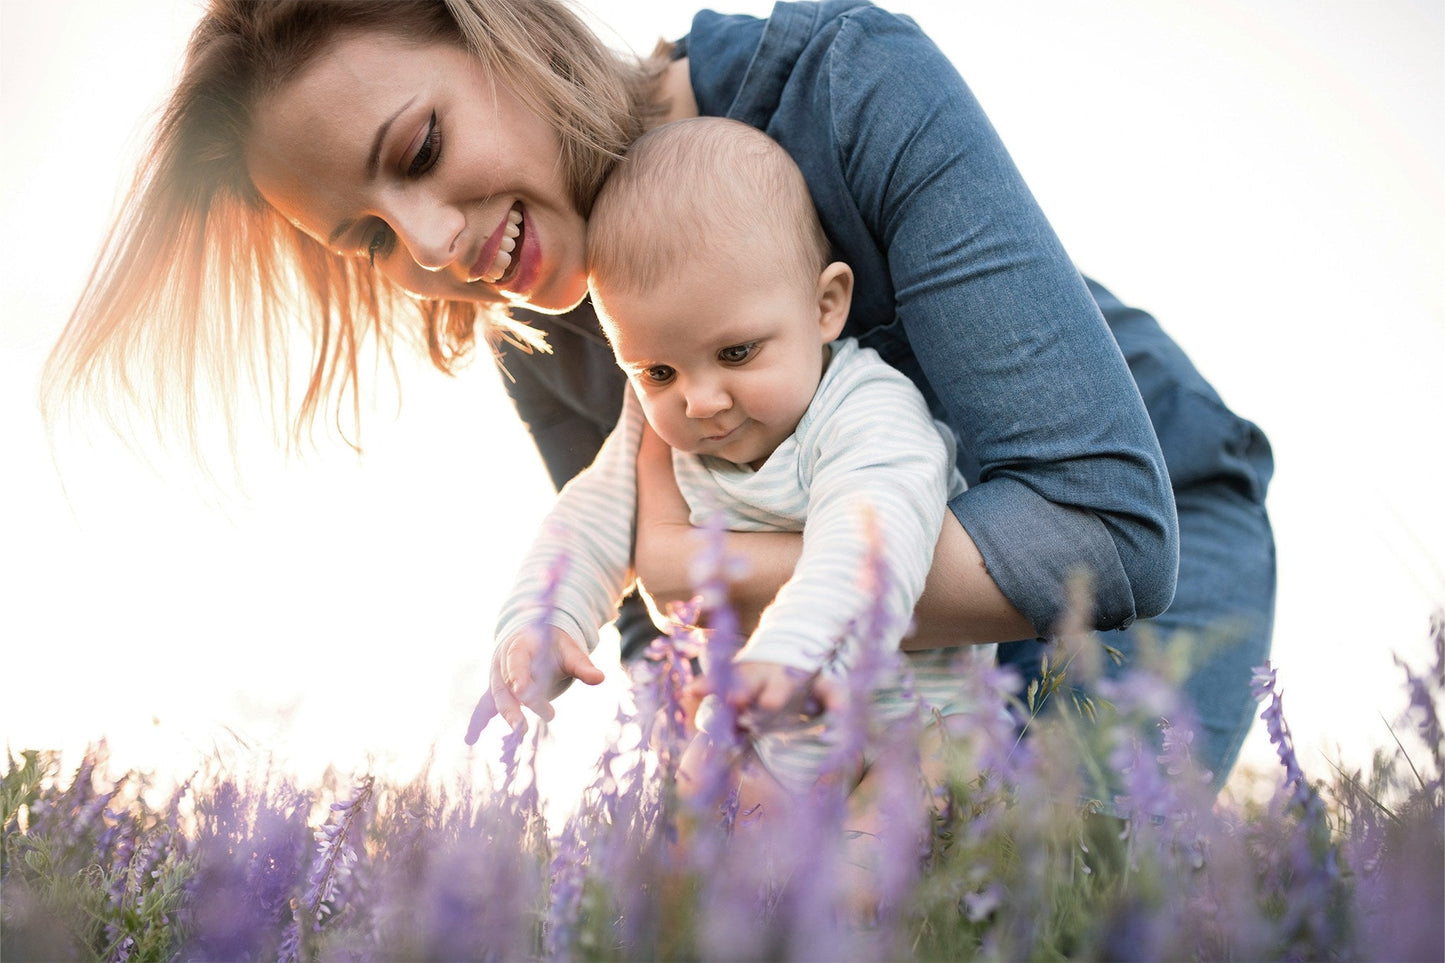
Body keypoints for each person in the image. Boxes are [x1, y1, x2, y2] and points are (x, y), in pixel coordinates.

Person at [43, 0, 1274, 793]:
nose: (428, 248)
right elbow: (652, 632)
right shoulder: (535, 319)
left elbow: (1102, 535)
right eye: (368, 239)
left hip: (1138, 521)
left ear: (502, 30)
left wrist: (708, 574)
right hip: (902, 633)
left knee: (1061, 891)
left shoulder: (849, 84)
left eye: (419, 150)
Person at [479, 116, 994, 797]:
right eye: (657, 371)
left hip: (922, 726)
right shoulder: (655, 431)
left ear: (825, 306)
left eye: (736, 352)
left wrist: (790, 655)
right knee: (707, 803)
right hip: (769, 728)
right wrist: (542, 623)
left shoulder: (867, 412)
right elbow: (589, 521)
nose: (700, 401)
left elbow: (868, 541)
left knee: (873, 840)